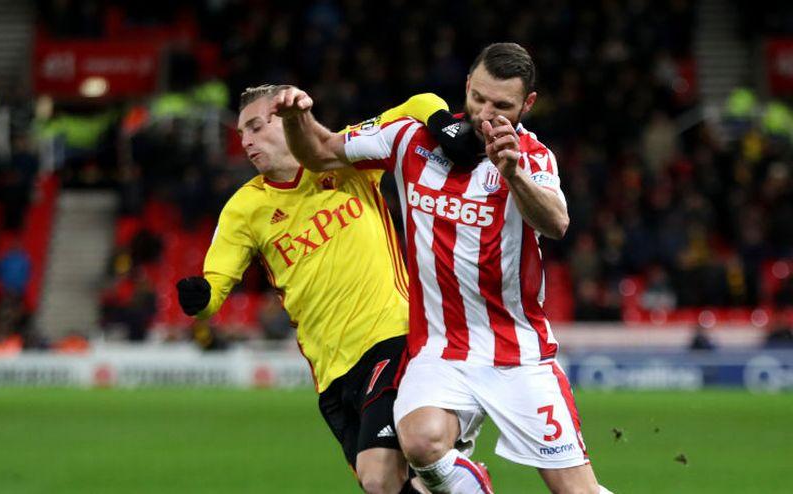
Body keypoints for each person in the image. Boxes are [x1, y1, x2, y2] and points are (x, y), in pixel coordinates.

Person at [272, 42, 613, 494]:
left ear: (527, 104)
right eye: (479, 98)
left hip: (518, 355)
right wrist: (297, 119)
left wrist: (513, 175)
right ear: (467, 85)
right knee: (420, 442)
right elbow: (319, 151)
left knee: (576, 491)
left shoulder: (531, 156)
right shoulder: (410, 138)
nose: (486, 114)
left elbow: (556, 223)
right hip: (439, 351)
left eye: (502, 106)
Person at [176, 85, 451, 493]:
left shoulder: (346, 155)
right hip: (330, 375)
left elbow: (417, 104)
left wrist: (443, 123)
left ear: (286, 119)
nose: (246, 141)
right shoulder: (244, 209)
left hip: (393, 337)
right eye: (242, 133)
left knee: (379, 476)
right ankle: (462, 482)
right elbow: (215, 285)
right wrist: (200, 297)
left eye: (256, 126)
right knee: (395, 484)